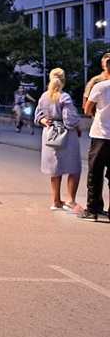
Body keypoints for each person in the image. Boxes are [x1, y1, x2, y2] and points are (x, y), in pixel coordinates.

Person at [34, 69, 81, 210]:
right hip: (66, 135)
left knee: (55, 169)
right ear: (64, 79)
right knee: (74, 167)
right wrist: (78, 126)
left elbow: (37, 116)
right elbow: (69, 120)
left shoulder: (44, 96)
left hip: (49, 134)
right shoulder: (64, 97)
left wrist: (44, 121)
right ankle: (71, 200)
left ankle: (56, 201)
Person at [80, 53, 110, 220]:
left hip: (100, 135)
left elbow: (87, 108)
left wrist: (97, 114)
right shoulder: (96, 82)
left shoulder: (100, 86)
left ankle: (93, 209)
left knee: (95, 173)